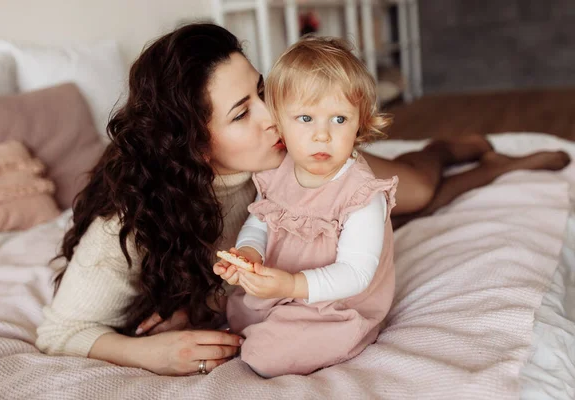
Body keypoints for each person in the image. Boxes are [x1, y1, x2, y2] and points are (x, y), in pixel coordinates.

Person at [35, 23, 570, 377]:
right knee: (411, 210)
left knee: (417, 191)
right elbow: (58, 331)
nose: (274, 118)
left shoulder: (282, 152)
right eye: (242, 113)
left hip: (339, 208)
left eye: (262, 89)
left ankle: (444, 149)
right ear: (191, 142)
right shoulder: (127, 228)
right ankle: (493, 170)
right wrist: (139, 350)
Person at [214, 36, 398, 377]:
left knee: (268, 355)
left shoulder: (361, 193)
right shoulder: (276, 170)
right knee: (236, 309)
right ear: (279, 123)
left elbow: (355, 274)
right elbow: (260, 221)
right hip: (285, 290)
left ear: (360, 122)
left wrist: (290, 286)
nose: (322, 135)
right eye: (305, 118)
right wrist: (249, 253)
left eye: (339, 119)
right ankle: (261, 326)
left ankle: (285, 336)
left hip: (335, 304)